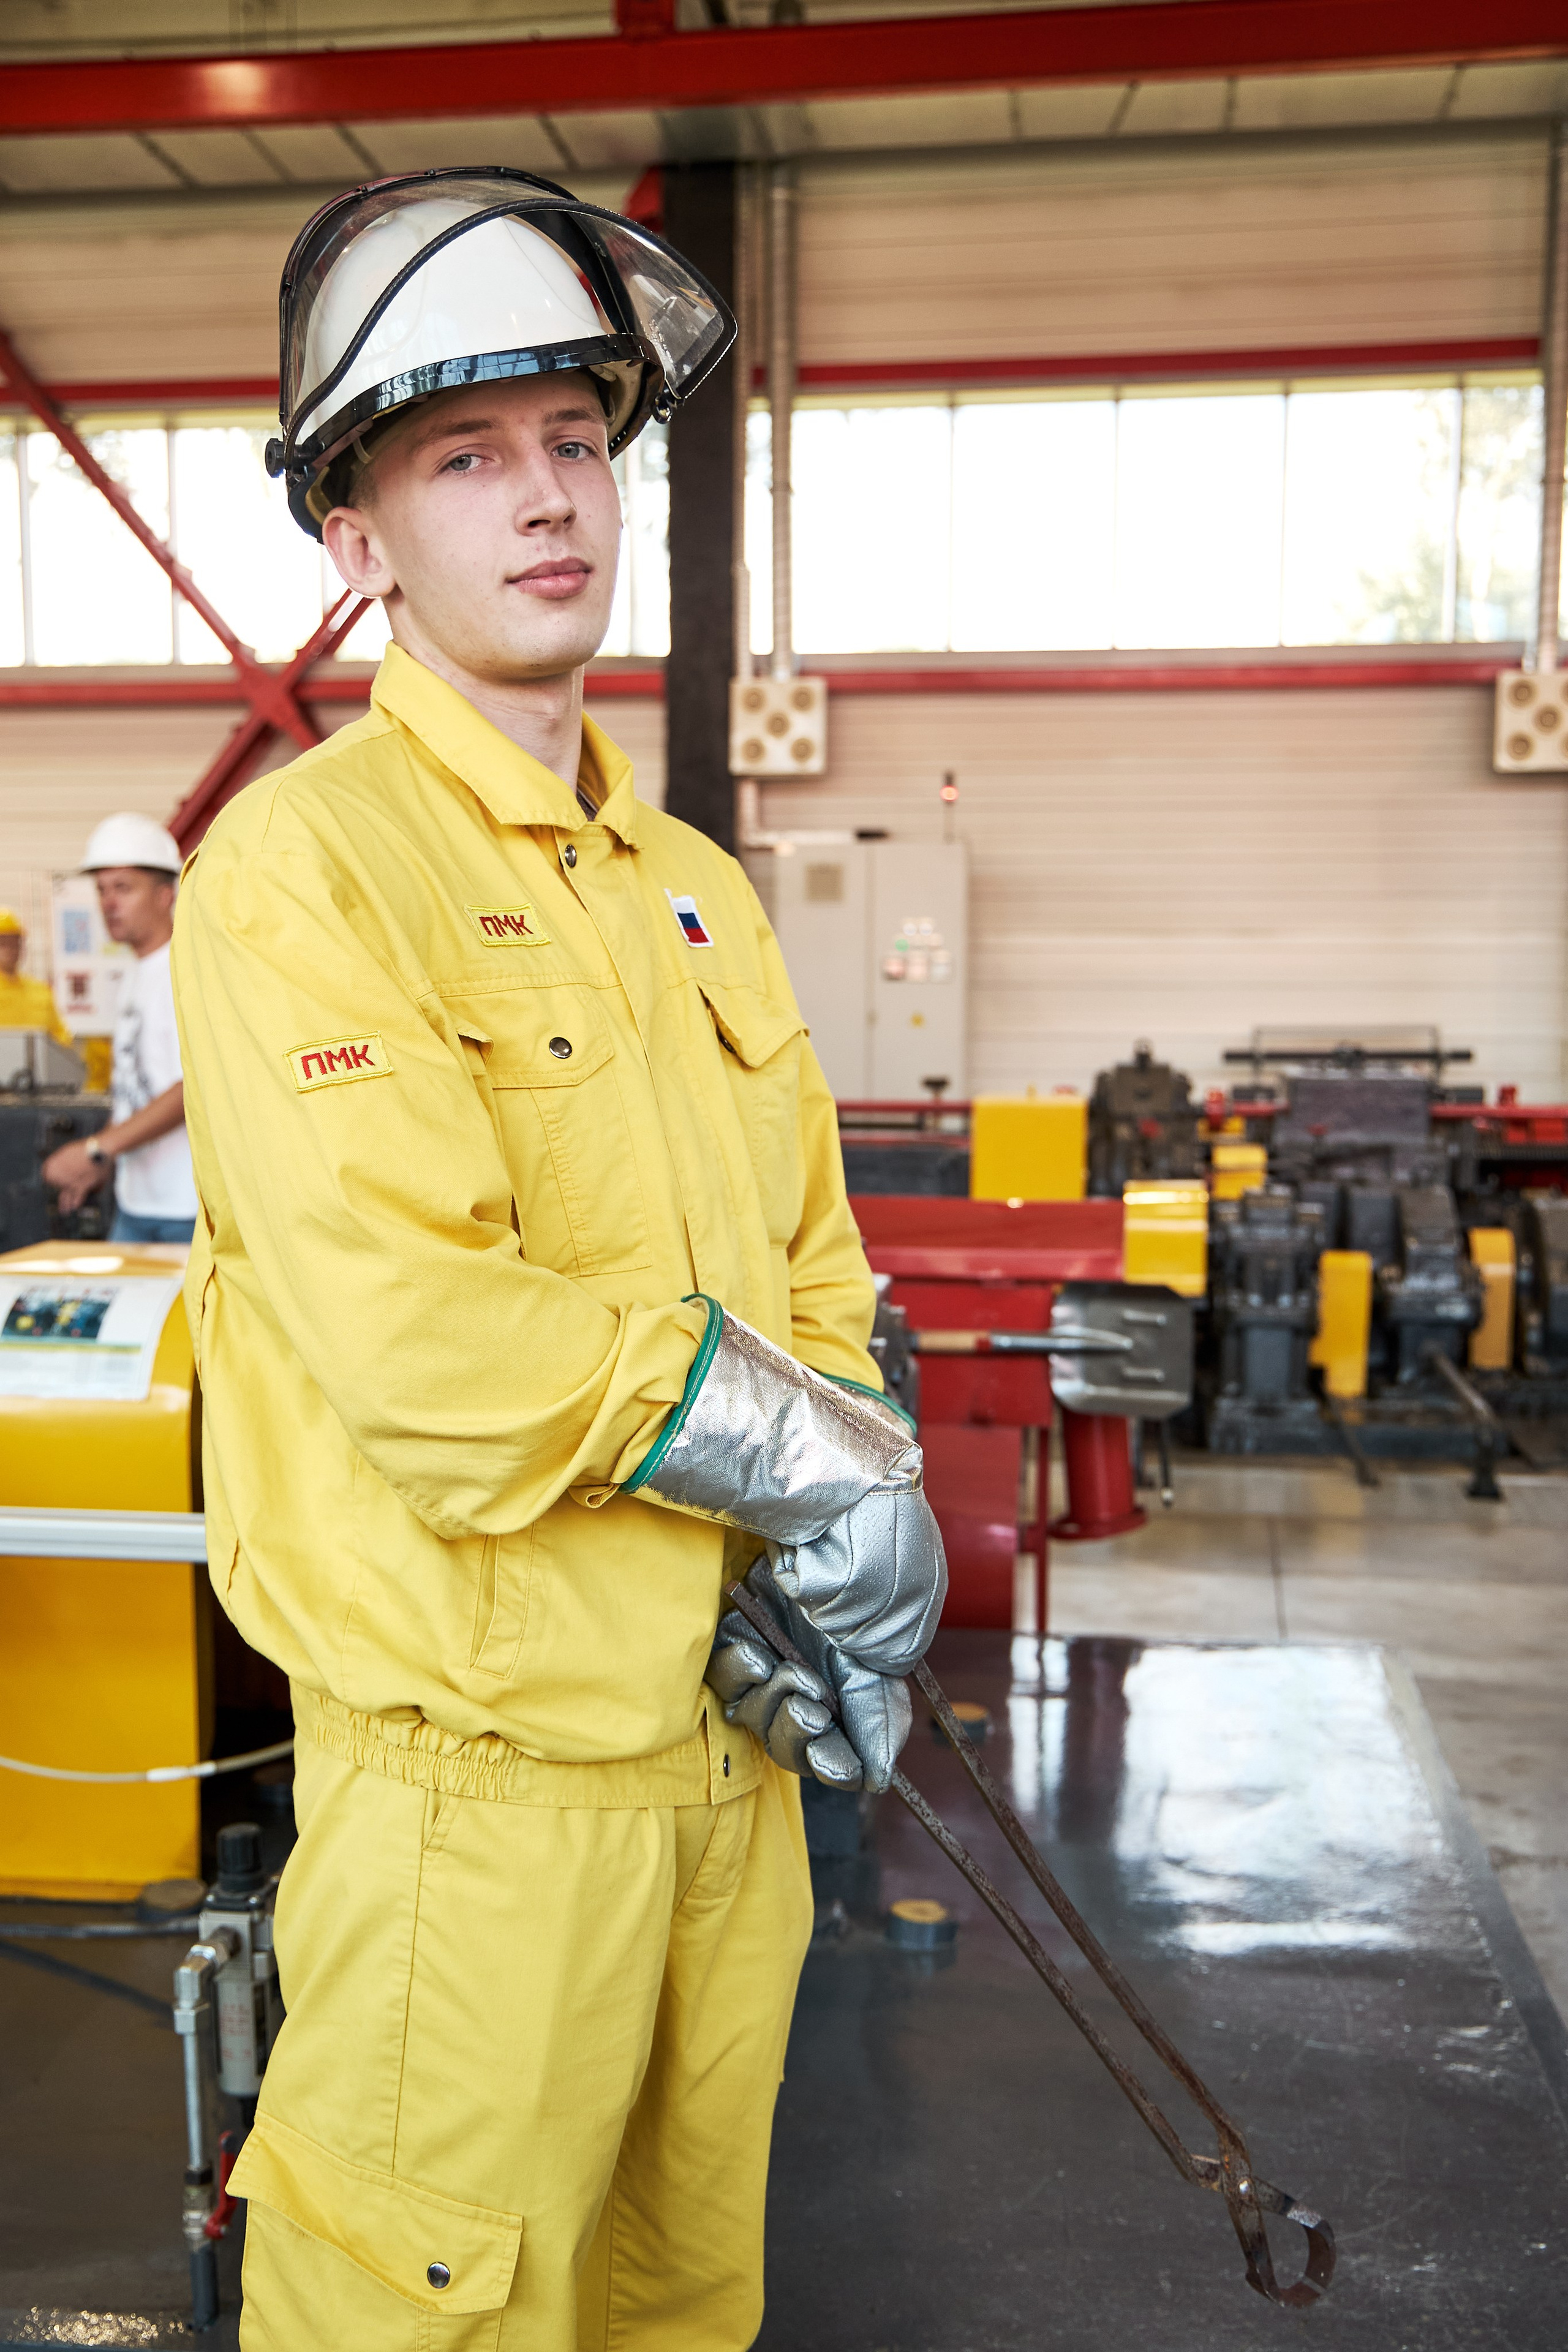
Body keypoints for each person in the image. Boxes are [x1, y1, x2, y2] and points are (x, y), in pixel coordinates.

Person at [173, 170, 945, 2352]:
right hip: (476, 1814)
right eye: (462, 454)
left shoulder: (689, 884)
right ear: (355, 537)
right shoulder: (302, 877)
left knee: (675, 2306)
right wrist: (818, 1473)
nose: (545, 502)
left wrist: (827, 1527)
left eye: (577, 442)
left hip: (727, 1777)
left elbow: (806, 1250)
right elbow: (430, 1347)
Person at [42, 813, 197, 1246]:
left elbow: (195, 1084)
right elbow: (136, 1085)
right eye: (102, 889)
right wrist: (104, 1162)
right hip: (136, 1202)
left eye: (124, 888)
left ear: (166, 894)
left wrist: (97, 1149)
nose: (108, 903)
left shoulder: (184, 969)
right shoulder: (136, 972)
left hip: (186, 1208)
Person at [0, 906, 74, 1052]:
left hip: (38, 1072)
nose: (10, 949)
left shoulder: (40, 991)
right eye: (3, 943)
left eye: (15, 942)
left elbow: (61, 1037)